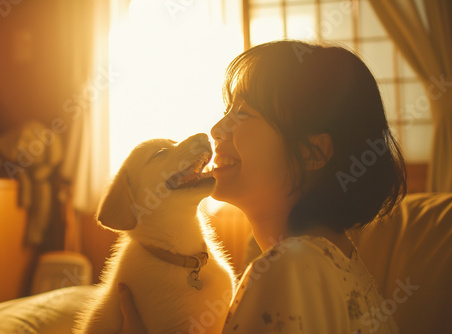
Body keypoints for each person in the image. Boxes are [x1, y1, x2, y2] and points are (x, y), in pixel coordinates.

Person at [118, 39, 407, 333]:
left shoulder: (288, 267)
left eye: (243, 113)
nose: (217, 130)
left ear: (312, 154)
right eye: (228, 110)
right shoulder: (339, 260)